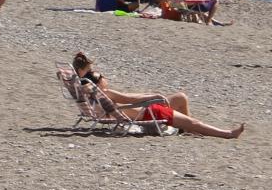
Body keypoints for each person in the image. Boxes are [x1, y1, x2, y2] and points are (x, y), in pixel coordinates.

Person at [72, 54, 244, 139]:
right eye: (102, 77)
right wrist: (153, 96)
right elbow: (131, 100)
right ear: (99, 82)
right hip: (149, 114)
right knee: (194, 122)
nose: (105, 78)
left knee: (180, 97)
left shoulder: (94, 97)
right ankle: (228, 134)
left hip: (143, 112)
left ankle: (187, 129)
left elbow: (128, 99)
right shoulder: (106, 93)